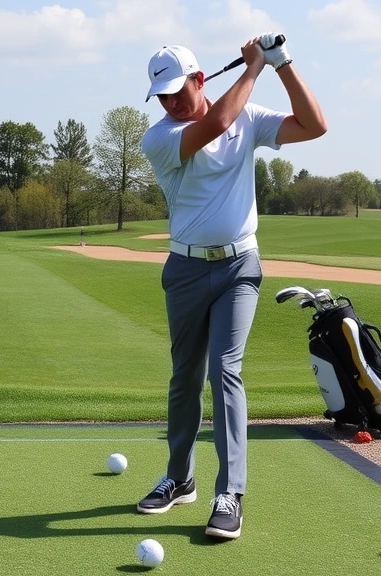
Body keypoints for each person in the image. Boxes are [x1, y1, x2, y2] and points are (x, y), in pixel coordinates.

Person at [136, 34, 327, 540]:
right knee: (184, 378)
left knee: (224, 370)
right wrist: (253, 67)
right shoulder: (158, 139)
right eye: (163, 96)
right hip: (186, 271)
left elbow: (315, 125)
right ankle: (180, 478)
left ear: (201, 79)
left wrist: (282, 63)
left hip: (240, 267)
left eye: (179, 91)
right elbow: (215, 121)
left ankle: (230, 492)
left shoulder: (246, 114)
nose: (171, 103)